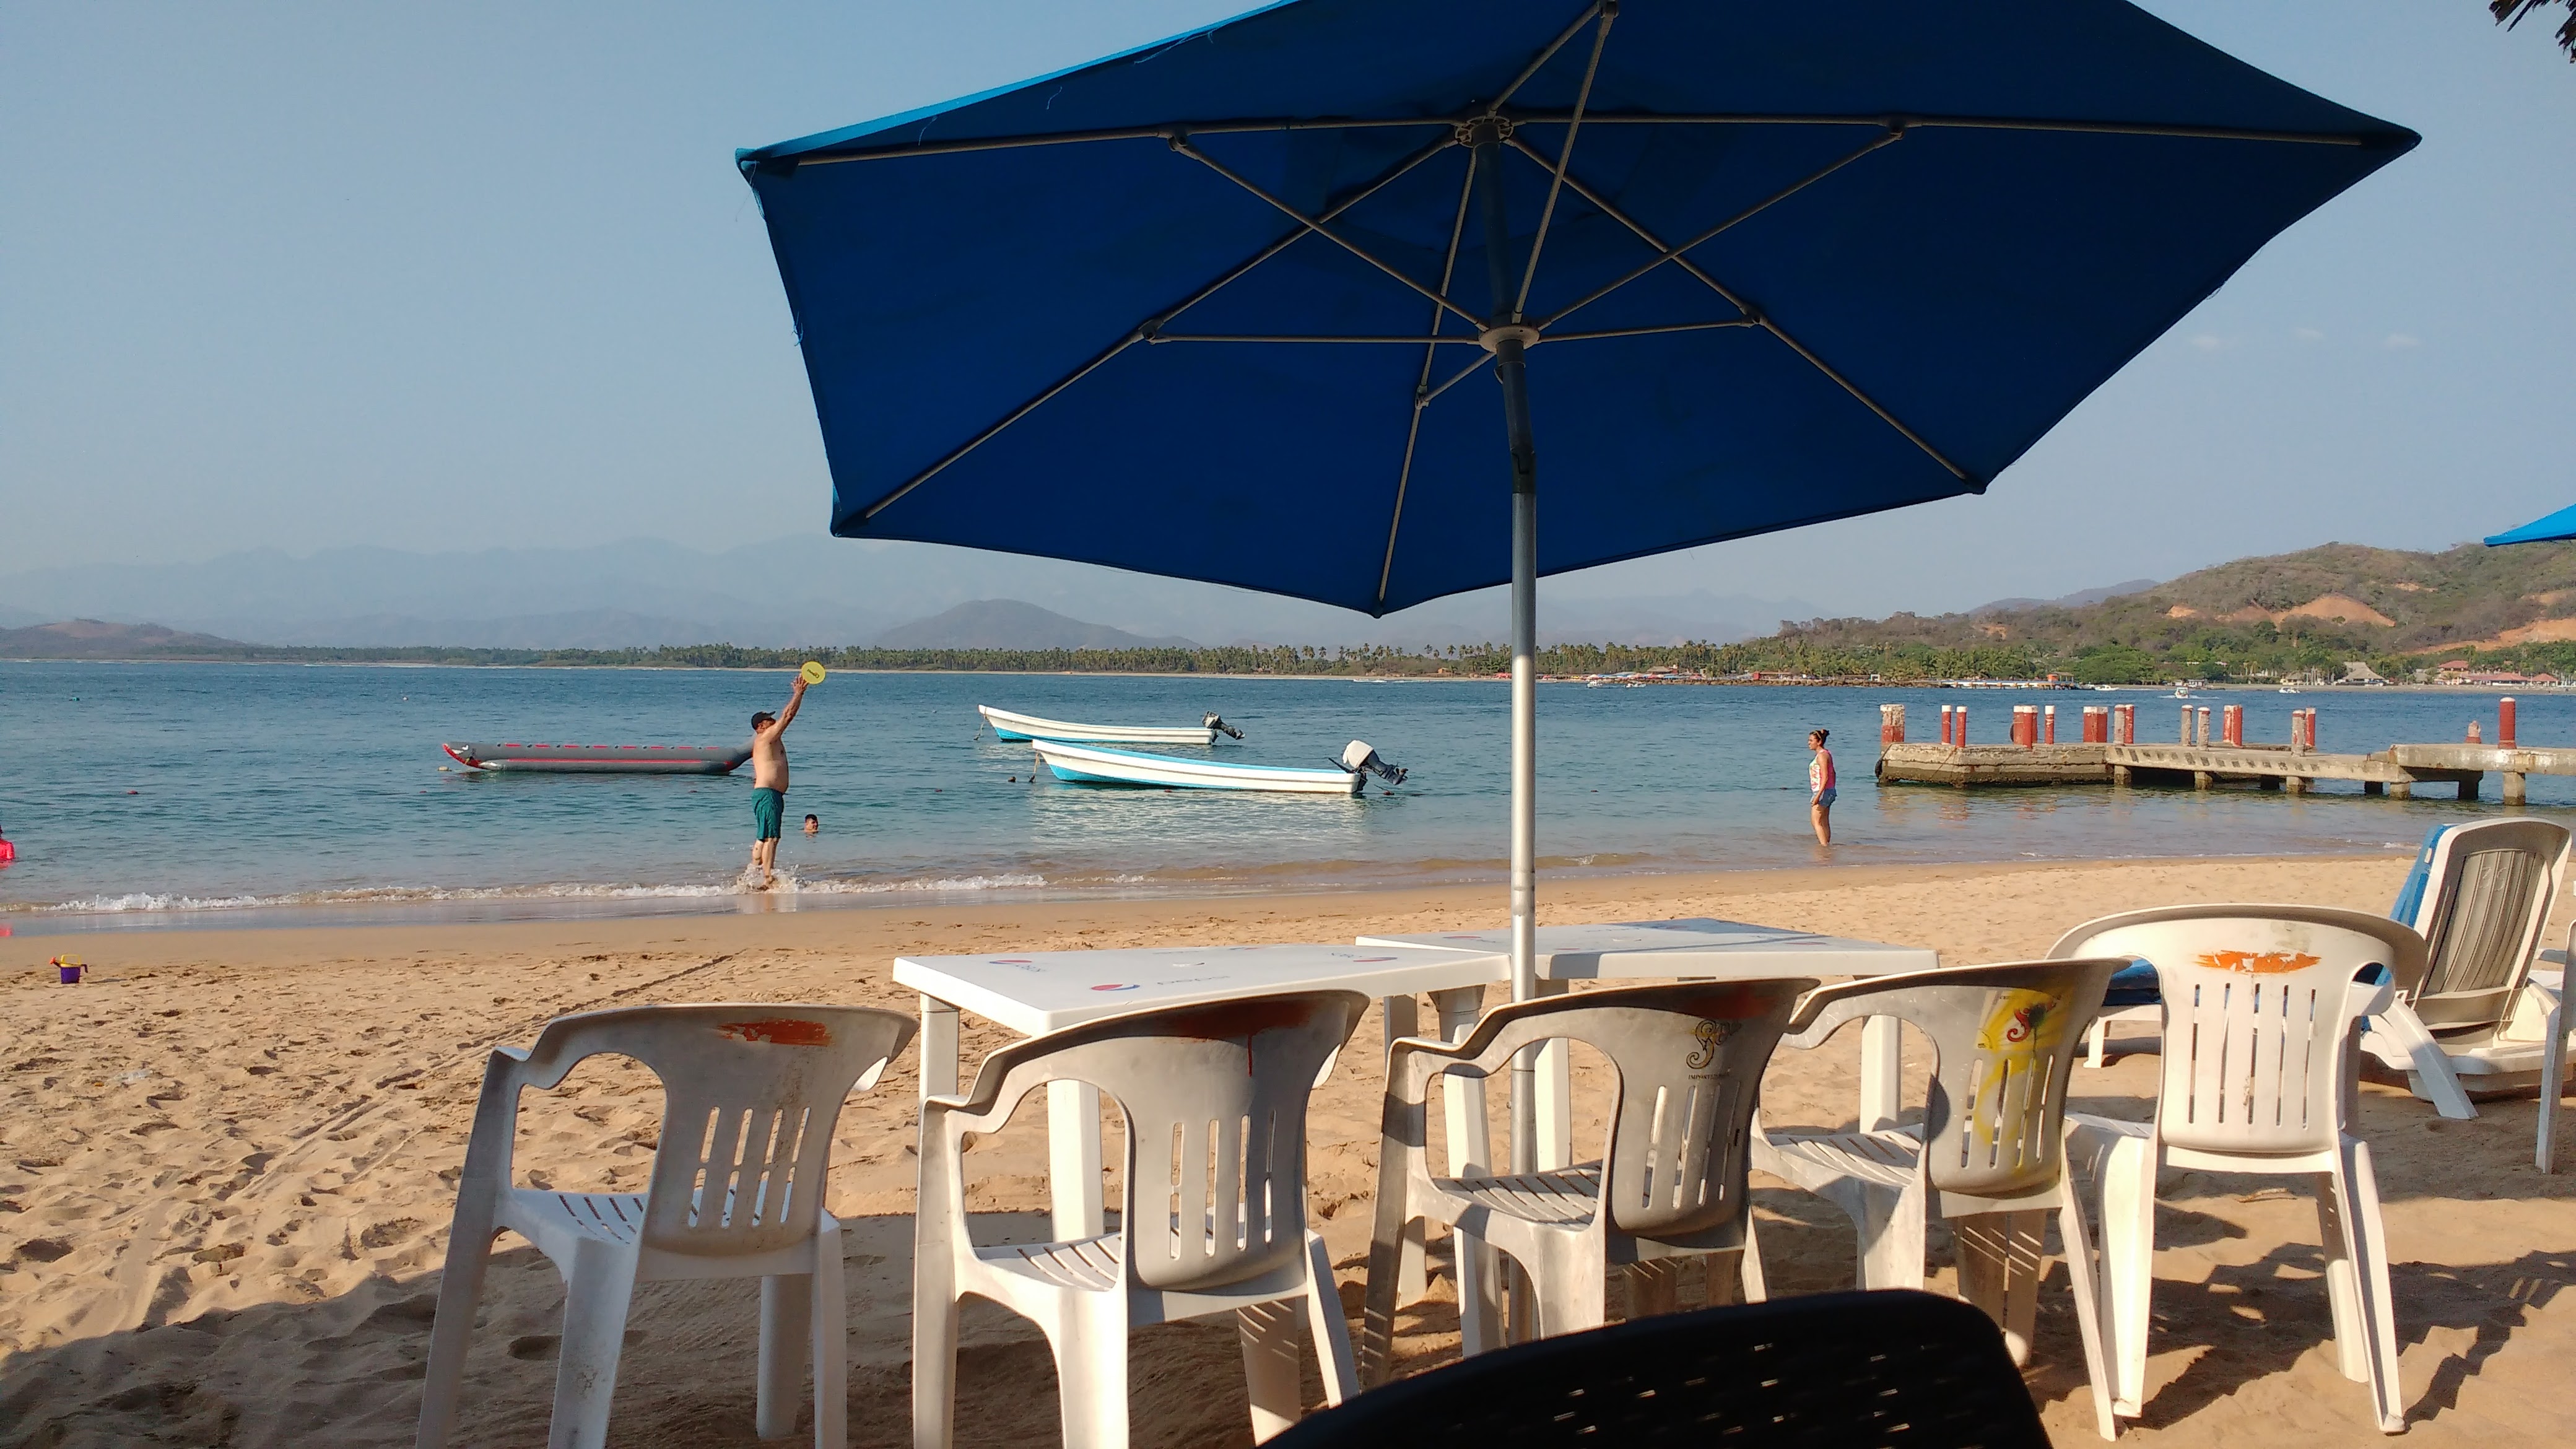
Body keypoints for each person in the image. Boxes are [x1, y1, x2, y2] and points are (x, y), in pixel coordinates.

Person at [746, 676, 809, 887]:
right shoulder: (767, 737)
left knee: (763, 837)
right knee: (772, 837)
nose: (773, 721)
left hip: (768, 794)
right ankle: (767, 878)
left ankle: (750, 874)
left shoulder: (769, 740)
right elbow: (788, 715)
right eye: (769, 719)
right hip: (768, 794)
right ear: (760, 726)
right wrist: (798, 694)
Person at [1807, 728, 1837, 846]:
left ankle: (1824, 847)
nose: (1809, 743)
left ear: (1819, 742)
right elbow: (1834, 773)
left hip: (1822, 791)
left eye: (1811, 740)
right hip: (1828, 790)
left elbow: (1825, 777)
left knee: (1816, 822)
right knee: (1824, 821)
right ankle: (1827, 846)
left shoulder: (1822, 756)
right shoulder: (1826, 754)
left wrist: (1818, 796)